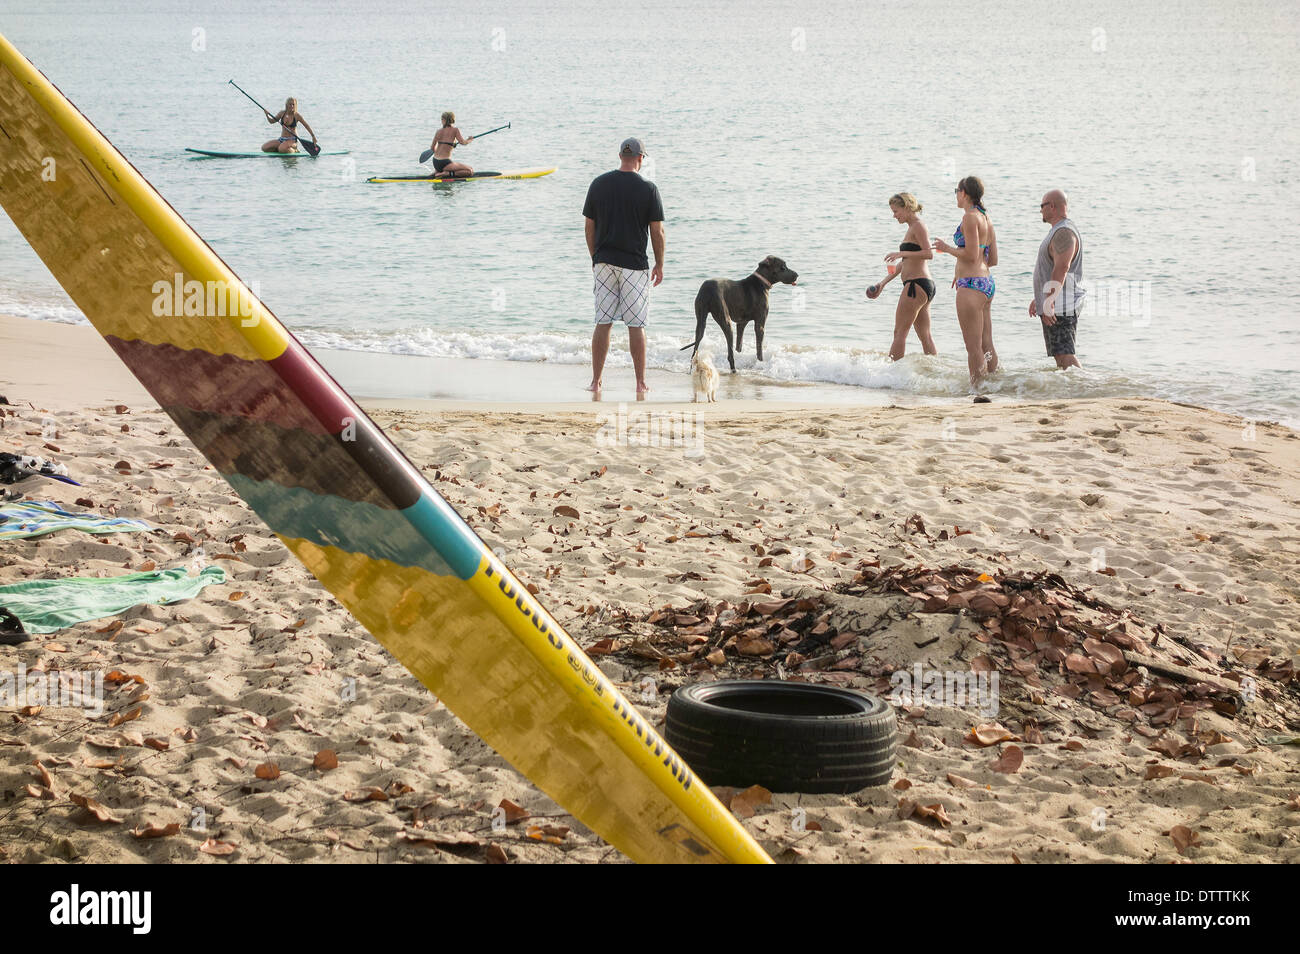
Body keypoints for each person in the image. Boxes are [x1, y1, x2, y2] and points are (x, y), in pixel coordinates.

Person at [582, 137, 665, 395]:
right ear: (641, 158)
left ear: (620, 156)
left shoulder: (598, 184)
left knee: (603, 321)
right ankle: (640, 383)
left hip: (604, 262)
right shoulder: (648, 189)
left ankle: (596, 381)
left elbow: (589, 226)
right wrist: (660, 264)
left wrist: (596, 257)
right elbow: (657, 231)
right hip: (634, 265)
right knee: (635, 324)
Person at [933, 176, 998, 389]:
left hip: (970, 286)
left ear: (964, 193)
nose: (955, 195)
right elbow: (992, 259)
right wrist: (960, 271)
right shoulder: (986, 217)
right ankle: (994, 385)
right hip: (986, 283)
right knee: (986, 342)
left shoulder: (970, 217)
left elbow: (970, 255)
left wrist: (945, 247)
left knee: (973, 347)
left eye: (956, 191)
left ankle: (977, 389)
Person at [866, 192, 937, 359]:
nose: (894, 216)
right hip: (923, 286)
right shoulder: (912, 227)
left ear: (906, 208)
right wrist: (883, 283)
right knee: (925, 336)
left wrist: (901, 253)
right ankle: (936, 373)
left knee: (899, 333)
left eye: (896, 211)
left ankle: (892, 376)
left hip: (916, 285)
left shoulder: (918, 225)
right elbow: (905, 262)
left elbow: (929, 254)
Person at [1031, 189, 1085, 369]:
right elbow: (1051, 268)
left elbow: (1062, 267)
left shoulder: (1063, 232)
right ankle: (1074, 392)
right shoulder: (1058, 231)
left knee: (1065, 354)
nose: (1040, 210)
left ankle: (1084, 389)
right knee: (1060, 355)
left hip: (1062, 304)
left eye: (1042, 206)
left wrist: (1049, 300)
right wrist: (1039, 297)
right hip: (1056, 301)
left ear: (1052, 206)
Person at [428, 111, 474, 178]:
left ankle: (438, 171)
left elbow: (432, 148)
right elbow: (463, 142)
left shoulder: (438, 131)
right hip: (445, 163)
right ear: (452, 119)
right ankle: (446, 174)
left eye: (441, 119)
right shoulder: (455, 130)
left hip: (435, 162)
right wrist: (470, 140)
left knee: (467, 169)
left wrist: (442, 152)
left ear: (444, 120)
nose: (441, 121)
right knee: (470, 171)